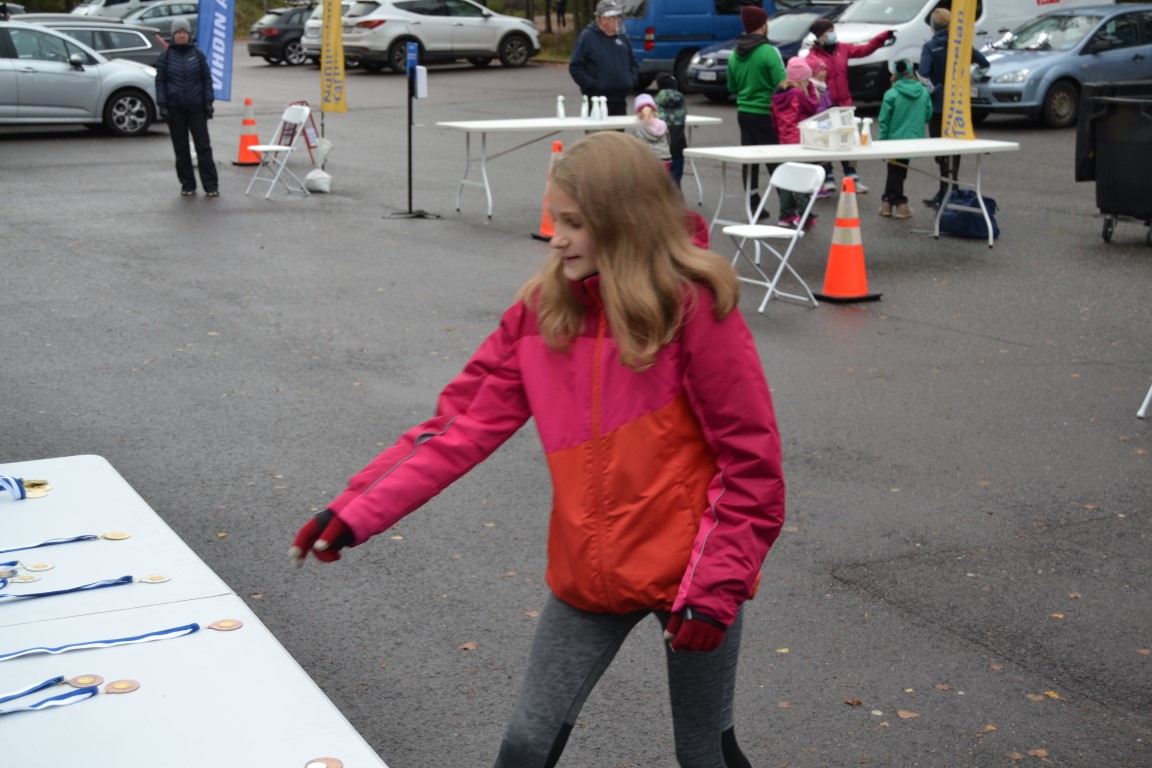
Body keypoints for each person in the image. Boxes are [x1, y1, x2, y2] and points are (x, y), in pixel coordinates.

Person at [289, 131, 786, 768]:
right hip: (589, 573)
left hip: (693, 576)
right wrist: (355, 510)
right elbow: (458, 426)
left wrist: (714, 589)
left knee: (704, 755)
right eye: (557, 219)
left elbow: (752, 466)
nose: (555, 237)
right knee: (525, 748)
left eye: (574, 223)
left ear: (623, 221)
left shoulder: (693, 309)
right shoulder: (541, 312)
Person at [805, 17, 895, 196]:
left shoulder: (843, 49)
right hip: (825, 106)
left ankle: (852, 176)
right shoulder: (812, 57)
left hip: (844, 103)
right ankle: (827, 176)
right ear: (820, 36)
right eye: (829, 32)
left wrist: (883, 37)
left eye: (833, 30)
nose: (833, 34)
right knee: (825, 141)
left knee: (846, 141)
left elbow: (865, 50)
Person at [919, 7, 990, 210]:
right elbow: (984, 64)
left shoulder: (930, 46)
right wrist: (967, 78)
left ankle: (946, 191)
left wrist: (934, 90)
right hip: (958, 104)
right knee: (955, 149)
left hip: (938, 106)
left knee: (939, 150)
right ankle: (951, 189)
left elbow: (923, 74)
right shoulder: (961, 44)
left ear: (933, 26)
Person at [726, 4, 786, 220]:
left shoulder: (735, 53)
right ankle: (788, 209)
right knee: (775, 160)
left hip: (744, 112)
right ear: (762, 25)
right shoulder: (768, 51)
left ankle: (753, 204)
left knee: (750, 159)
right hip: (766, 112)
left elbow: (731, 87)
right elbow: (783, 83)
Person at [154, 18, 218, 197]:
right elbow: (160, 82)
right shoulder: (165, 57)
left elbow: (206, 79)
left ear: (189, 35)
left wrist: (208, 102)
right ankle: (187, 185)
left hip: (197, 108)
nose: (181, 36)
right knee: (181, 149)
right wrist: (162, 104)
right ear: (173, 35)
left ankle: (211, 186)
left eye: (184, 32)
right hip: (175, 110)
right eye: (178, 32)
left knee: (203, 147)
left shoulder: (197, 54)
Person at [877, 58, 932, 219]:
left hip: (894, 140)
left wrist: (881, 142)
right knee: (898, 170)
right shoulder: (923, 92)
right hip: (914, 139)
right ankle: (889, 202)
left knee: (895, 170)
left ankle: (897, 203)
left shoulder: (891, 94)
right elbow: (928, 114)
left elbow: (884, 120)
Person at [771, 56, 821, 229]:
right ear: (802, 80)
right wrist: (812, 89)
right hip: (799, 141)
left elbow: (774, 120)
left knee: (787, 178)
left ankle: (786, 215)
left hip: (784, 141)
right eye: (807, 79)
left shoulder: (778, 94)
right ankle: (805, 215)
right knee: (801, 179)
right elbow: (812, 107)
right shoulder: (798, 94)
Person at [569, 0, 638, 117]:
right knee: (598, 129)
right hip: (597, 102)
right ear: (603, 19)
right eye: (614, 17)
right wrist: (592, 86)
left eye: (618, 17)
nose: (618, 20)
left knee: (618, 129)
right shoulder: (587, 37)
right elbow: (575, 67)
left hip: (620, 100)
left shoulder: (622, 38)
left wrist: (631, 81)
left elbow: (633, 62)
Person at [654, 72, 688, 189]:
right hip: (678, 145)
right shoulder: (681, 101)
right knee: (675, 182)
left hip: (660, 148)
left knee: (660, 183)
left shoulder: (655, 103)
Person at [631, 93, 672, 170]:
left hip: (646, 159)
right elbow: (668, 140)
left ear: (638, 113)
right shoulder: (663, 124)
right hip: (665, 158)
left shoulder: (638, 127)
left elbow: (634, 144)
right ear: (654, 111)